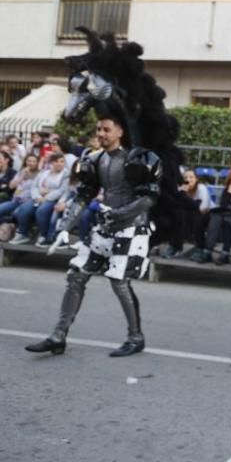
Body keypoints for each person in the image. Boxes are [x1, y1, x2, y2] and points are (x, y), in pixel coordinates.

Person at [25, 114, 160, 357]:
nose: (100, 134)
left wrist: (118, 214)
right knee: (76, 275)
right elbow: (84, 195)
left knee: (119, 281)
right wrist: (65, 227)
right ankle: (58, 335)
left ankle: (135, 337)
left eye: (106, 129)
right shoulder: (95, 159)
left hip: (132, 228)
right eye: (98, 129)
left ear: (120, 131)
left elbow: (148, 198)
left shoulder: (137, 159)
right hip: (106, 227)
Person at [10, 153, 69, 246]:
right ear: (52, 163)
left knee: (41, 211)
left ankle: (43, 234)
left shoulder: (66, 174)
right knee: (22, 210)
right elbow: (34, 186)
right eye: (56, 161)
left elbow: (61, 190)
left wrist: (45, 198)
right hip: (38, 197)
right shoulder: (44, 172)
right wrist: (37, 196)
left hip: (53, 199)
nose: (59, 164)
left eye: (62, 162)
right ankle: (23, 234)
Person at [201, 170, 231, 265]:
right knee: (215, 219)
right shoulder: (227, 190)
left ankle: (225, 254)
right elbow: (223, 204)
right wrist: (229, 192)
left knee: (227, 221)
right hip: (226, 213)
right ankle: (208, 252)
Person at [163, 169, 213, 258]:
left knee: (196, 217)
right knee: (177, 215)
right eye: (185, 177)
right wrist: (183, 194)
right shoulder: (180, 189)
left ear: (196, 179)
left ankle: (200, 248)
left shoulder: (201, 188)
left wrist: (185, 200)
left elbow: (203, 209)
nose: (188, 180)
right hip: (187, 216)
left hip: (206, 216)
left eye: (191, 177)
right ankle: (175, 246)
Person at [0, 153, 41, 230]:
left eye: (33, 161)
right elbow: (11, 186)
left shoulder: (40, 174)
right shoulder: (21, 172)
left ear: (37, 163)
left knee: (17, 213)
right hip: (16, 200)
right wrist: (22, 176)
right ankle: (11, 223)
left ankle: (21, 230)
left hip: (29, 201)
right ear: (25, 162)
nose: (31, 163)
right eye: (29, 161)